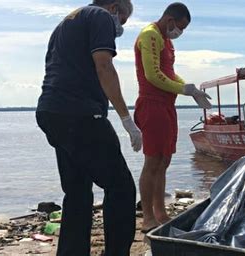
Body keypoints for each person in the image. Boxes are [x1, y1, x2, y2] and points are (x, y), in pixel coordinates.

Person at [36, 0, 140, 255]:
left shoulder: (65, 23)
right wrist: (127, 119)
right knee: (121, 187)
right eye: (123, 20)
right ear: (115, 8)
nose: (120, 27)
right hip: (80, 114)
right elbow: (104, 65)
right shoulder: (101, 16)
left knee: (78, 190)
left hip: (51, 111)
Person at [133, 2, 212, 233]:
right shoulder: (149, 35)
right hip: (151, 104)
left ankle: (160, 211)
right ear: (170, 21)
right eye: (181, 27)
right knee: (153, 161)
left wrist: (190, 89)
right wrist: (183, 89)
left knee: (165, 160)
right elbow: (153, 75)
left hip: (168, 105)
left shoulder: (166, 41)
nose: (180, 33)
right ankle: (148, 216)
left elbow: (168, 73)